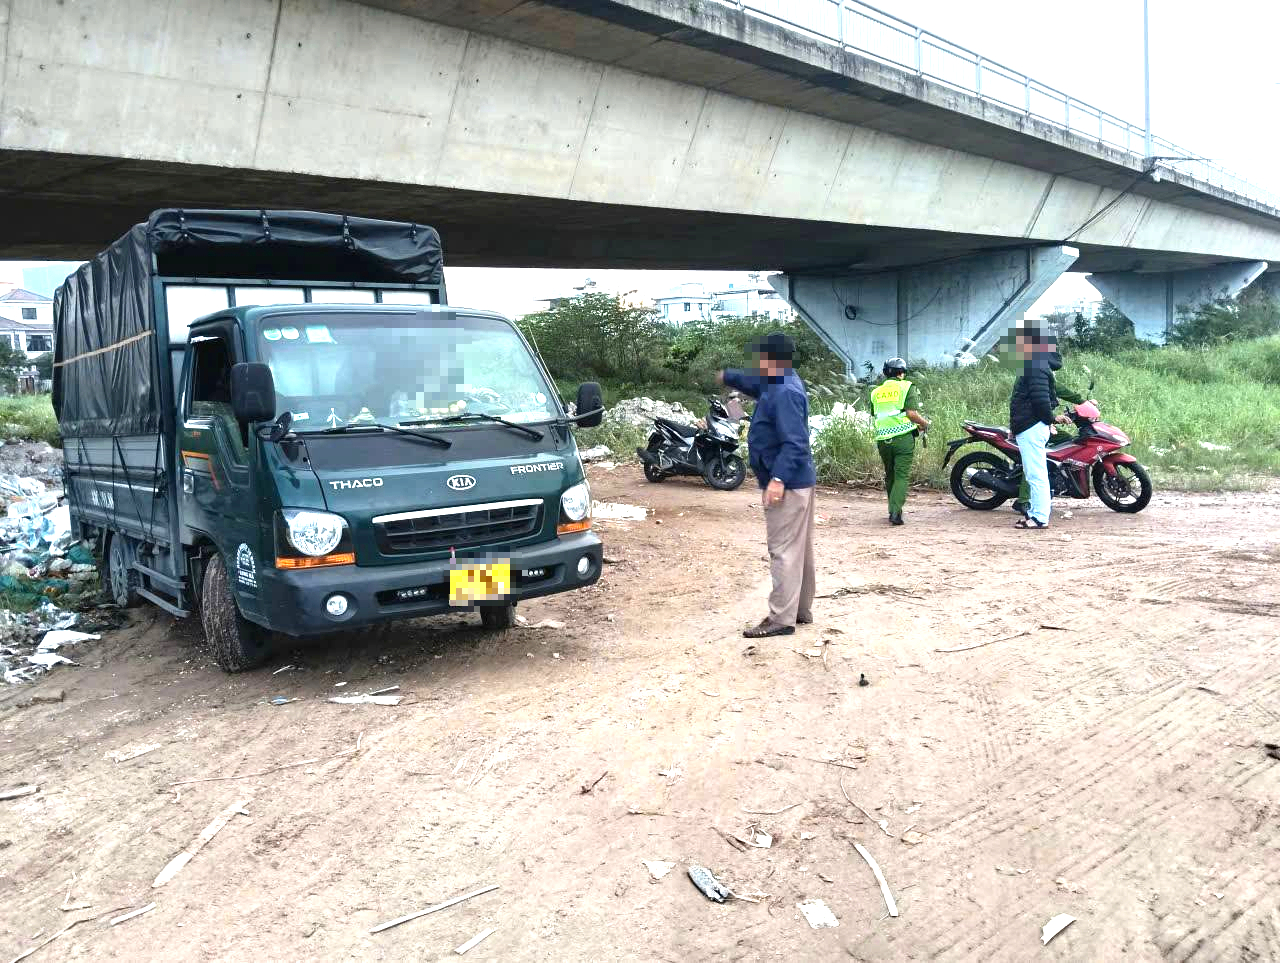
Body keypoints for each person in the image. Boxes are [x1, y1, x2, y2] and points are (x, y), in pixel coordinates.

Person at [717, 333, 817, 638]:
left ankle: (780, 619)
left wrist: (777, 479)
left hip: (787, 483)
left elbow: (795, 442)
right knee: (800, 549)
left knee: (783, 550)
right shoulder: (778, 380)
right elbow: (753, 384)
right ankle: (799, 609)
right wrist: (728, 377)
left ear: (770, 360)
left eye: (760, 358)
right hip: (797, 481)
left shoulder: (785, 391)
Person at [1011, 340, 1085, 518]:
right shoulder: (1038, 368)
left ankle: (1038, 516)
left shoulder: (1035, 367)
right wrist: (1051, 419)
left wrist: (1051, 418)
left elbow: (1041, 400)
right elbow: (1040, 399)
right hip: (1031, 424)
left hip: (1031, 425)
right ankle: (1029, 505)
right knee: (1036, 471)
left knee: (1036, 473)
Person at [870, 358, 930, 526]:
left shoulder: (876, 392)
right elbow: (910, 413)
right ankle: (895, 512)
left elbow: (881, 414)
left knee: (890, 474)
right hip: (903, 439)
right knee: (901, 475)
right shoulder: (907, 387)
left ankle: (892, 508)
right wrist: (924, 424)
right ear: (901, 373)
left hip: (882, 440)